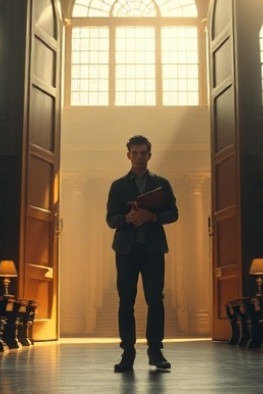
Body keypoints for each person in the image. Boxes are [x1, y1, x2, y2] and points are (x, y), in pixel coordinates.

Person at [106, 135, 179, 372]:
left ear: (149, 155)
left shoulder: (161, 183)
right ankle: (127, 354)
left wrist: (152, 216)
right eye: (135, 153)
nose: (139, 157)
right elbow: (111, 219)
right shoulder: (118, 186)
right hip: (126, 250)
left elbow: (173, 213)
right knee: (126, 301)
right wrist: (127, 218)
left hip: (153, 249)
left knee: (155, 300)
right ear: (128, 155)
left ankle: (155, 352)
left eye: (143, 153)